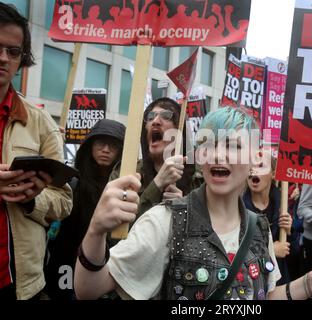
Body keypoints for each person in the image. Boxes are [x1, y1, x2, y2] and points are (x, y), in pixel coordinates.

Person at [74, 107, 312, 300]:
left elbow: (264, 295)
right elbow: (88, 290)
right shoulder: (164, 221)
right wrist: (96, 231)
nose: (219, 154)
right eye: (209, 145)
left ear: (256, 159)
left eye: (233, 146)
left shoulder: (259, 228)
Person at [0, 3, 72, 300]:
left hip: (19, 284)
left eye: (13, 52)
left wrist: (32, 199)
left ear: (21, 60)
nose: (3, 58)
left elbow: (64, 200)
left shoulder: (41, 122)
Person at [44, 119, 125, 300]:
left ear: (121, 150)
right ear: (90, 146)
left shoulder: (127, 187)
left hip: (109, 268)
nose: (105, 149)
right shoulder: (71, 182)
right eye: (100, 143)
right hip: (66, 266)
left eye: (112, 145)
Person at [110, 97, 195, 220]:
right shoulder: (125, 173)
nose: (155, 121)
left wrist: (182, 211)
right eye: (150, 117)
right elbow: (115, 232)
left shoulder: (201, 177)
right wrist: (157, 185)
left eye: (166, 116)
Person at [243, 150, 292, 286]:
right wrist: (269, 251)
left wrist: (289, 232)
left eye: (261, 166)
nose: (253, 170)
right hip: (251, 283)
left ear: (274, 174)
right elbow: (233, 253)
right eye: (250, 166)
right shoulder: (237, 207)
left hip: (278, 282)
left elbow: (293, 256)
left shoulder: (282, 204)